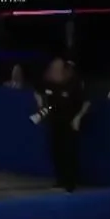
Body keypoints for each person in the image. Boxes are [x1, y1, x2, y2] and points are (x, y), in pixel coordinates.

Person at [32, 59, 90, 192]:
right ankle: (60, 181)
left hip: (70, 123)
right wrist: (40, 104)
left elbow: (86, 102)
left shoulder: (75, 84)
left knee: (68, 152)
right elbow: (38, 91)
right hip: (55, 121)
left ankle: (70, 185)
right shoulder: (52, 82)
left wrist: (78, 118)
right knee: (56, 151)